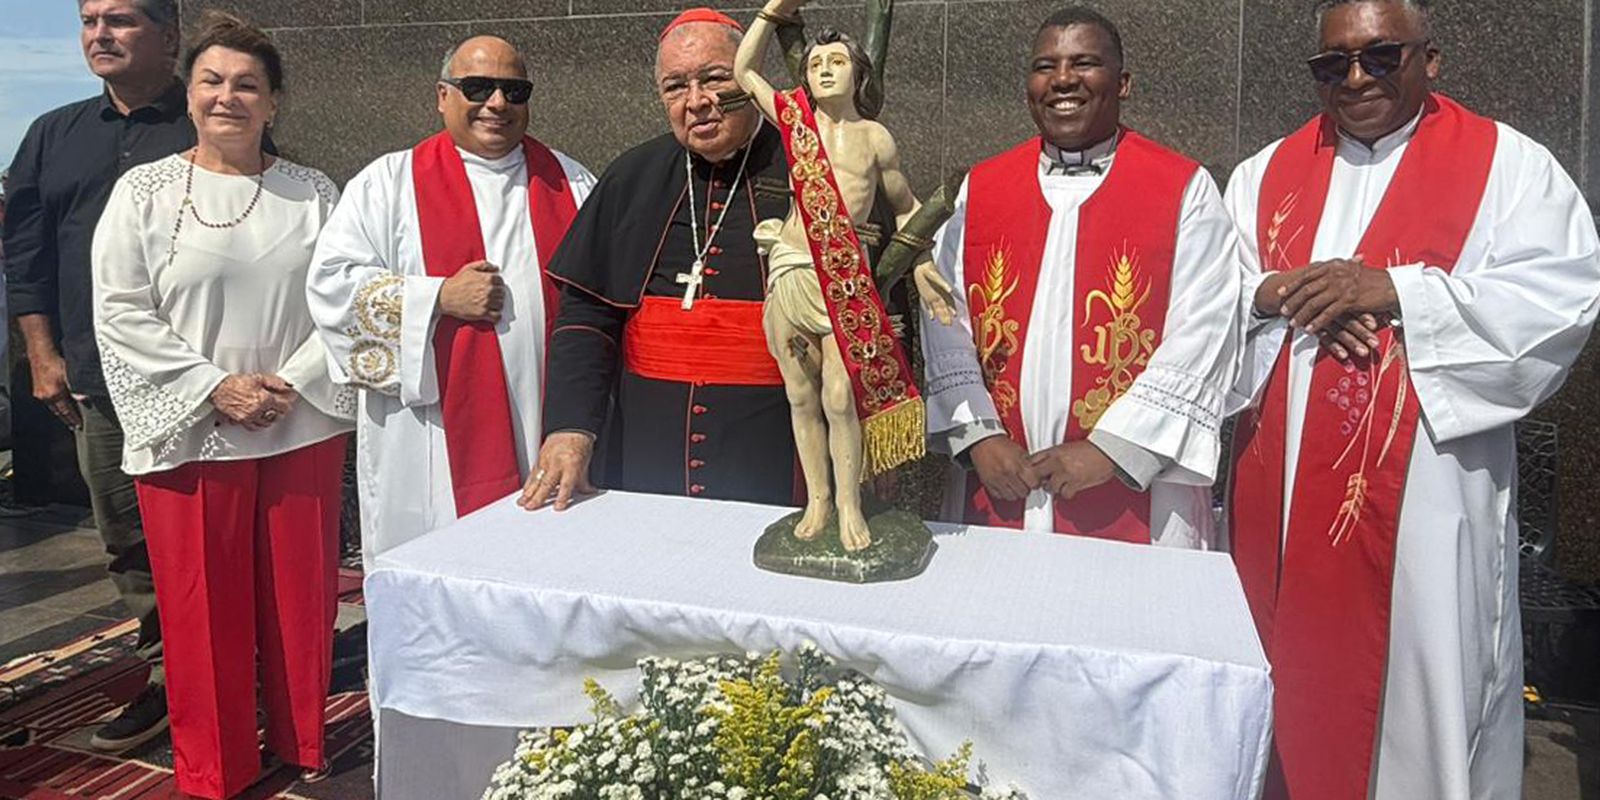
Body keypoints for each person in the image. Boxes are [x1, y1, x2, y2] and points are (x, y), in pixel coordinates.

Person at [1225, 1, 1600, 796]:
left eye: (1381, 56)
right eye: (1333, 64)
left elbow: (1557, 300)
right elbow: (1208, 301)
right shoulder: (1261, 176)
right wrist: (1276, 295)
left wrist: (1396, 292)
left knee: (1423, 690)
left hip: (1428, 506)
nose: (1356, 77)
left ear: (1430, 60)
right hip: (1280, 495)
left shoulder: (1510, 168)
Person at [92, 13, 354, 798]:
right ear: (189, 94)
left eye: (247, 84)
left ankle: (303, 741)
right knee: (202, 612)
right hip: (193, 428)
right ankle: (216, 767)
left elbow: (342, 298)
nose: (227, 97)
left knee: (301, 599)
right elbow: (121, 308)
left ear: (273, 101)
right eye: (211, 80)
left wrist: (286, 382)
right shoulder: (143, 192)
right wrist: (215, 385)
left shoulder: (312, 192)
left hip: (298, 422)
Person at [919, 7, 1242, 547]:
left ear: (1123, 82)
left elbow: (1207, 328)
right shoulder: (982, 187)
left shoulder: (1182, 187)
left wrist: (1113, 450)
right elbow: (943, 313)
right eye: (1045, 66)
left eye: (1084, 63)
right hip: (1000, 475)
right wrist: (978, 436)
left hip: (1132, 489)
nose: (1063, 79)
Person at [524, 9, 833, 512]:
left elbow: (869, 310)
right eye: (675, 87)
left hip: (780, 441)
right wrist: (570, 429)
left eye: (714, 78)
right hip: (645, 442)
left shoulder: (816, 169)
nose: (696, 101)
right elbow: (586, 318)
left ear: (753, 76)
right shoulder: (632, 176)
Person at [309, 36, 594, 564]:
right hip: (432, 442)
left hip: (546, 428)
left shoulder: (572, 184)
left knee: (548, 567)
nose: (497, 103)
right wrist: (437, 296)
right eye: (478, 87)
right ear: (443, 96)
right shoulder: (387, 184)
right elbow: (332, 286)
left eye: (514, 90)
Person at [2, 0, 193, 751]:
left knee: (205, 533)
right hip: (96, 379)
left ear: (168, 37)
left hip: (197, 378)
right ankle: (168, 675)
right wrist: (42, 355)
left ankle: (235, 659)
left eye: (119, 20)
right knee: (127, 536)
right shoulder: (53, 134)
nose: (99, 35)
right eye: (88, 21)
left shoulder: (209, 121)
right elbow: (28, 258)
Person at [733, 2, 951, 550]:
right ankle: (819, 500)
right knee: (800, 396)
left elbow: (905, 206)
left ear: (859, 73)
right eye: (815, 64)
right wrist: (770, 13)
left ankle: (851, 503)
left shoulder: (875, 137)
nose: (824, 71)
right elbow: (743, 71)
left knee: (838, 396)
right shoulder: (794, 122)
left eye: (836, 62)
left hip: (844, 278)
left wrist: (923, 262)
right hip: (792, 271)